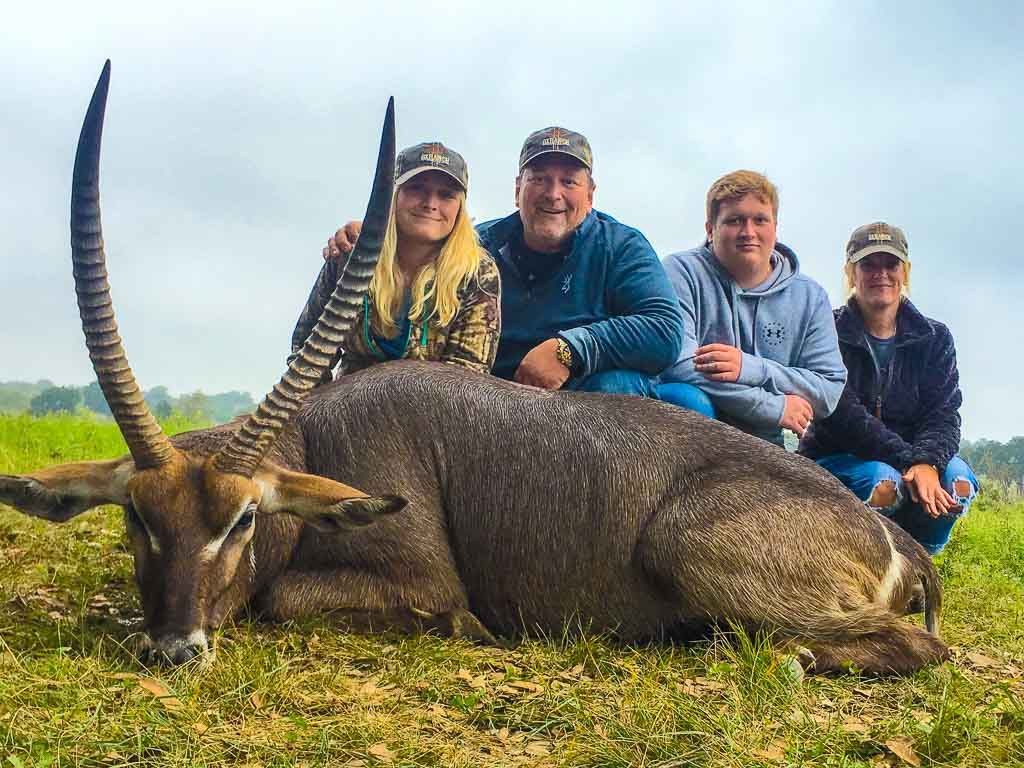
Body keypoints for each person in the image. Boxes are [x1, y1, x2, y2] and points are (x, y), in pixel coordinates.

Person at [325, 127, 684, 397]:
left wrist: (571, 349)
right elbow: (418, 241)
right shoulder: (475, 247)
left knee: (615, 386)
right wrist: (369, 236)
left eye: (569, 182)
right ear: (517, 189)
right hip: (495, 402)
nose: (553, 193)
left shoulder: (622, 246)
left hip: (581, 396)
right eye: (539, 179)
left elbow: (665, 331)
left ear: (590, 195)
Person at [799, 222, 978, 555]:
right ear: (851, 273)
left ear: (905, 271)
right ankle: (861, 563)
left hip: (914, 457)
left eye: (890, 264)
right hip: (841, 456)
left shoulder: (935, 338)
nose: (880, 274)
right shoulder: (826, 330)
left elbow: (944, 414)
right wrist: (913, 463)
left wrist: (927, 463)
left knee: (957, 481)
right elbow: (844, 416)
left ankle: (919, 563)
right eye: (868, 264)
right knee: (884, 482)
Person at [657, 170, 846, 446]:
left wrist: (751, 368)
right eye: (734, 220)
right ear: (710, 229)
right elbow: (679, 365)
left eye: (760, 220)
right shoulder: (680, 272)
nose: (748, 232)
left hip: (766, 443)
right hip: (694, 428)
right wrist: (774, 407)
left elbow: (828, 389)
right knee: (685, 398)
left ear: (775, 227)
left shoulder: (811, 296)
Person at [291, 142, 501, 380]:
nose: (430, 203)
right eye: (416, 188)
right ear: (395, 195)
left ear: (460, 207)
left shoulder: (478, 271)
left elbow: (467, 377)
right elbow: (306, 351)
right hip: (344, 407)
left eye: (446, 195)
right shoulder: (353, 252)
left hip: (433, 410)